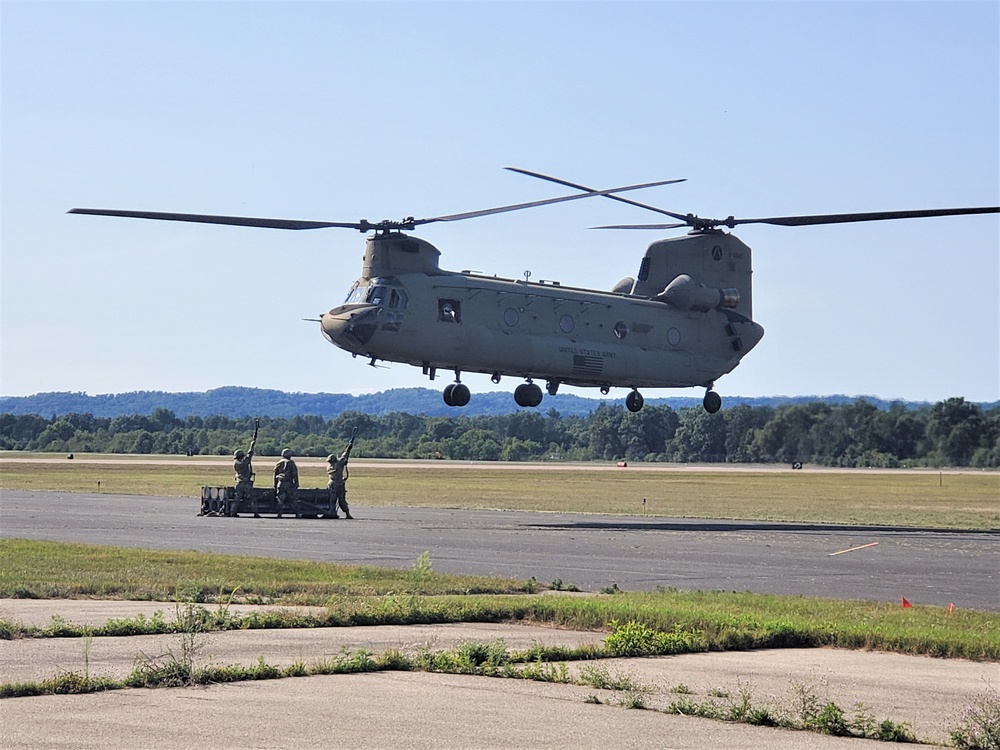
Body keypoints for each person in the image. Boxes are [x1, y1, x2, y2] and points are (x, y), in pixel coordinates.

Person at [325, 429, 357, 519]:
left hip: (331, 483)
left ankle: (330, 512)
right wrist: (349, 446)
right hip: (339, 484)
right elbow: (345, 455)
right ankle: (347, 514)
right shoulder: (338, 464)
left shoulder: (329, 467)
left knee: (331, 499)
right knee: (341, 499)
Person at [232, 420, 259, 517]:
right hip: (245, 483)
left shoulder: (235, 463)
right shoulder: (243, 463)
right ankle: (255, 513)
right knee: (252, 498)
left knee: (237, 498)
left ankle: (233, 512)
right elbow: (250, 454)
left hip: (238, 482)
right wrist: (253, 442)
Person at [273, 448, 299, 517]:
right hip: (288, 483)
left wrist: (275, 485)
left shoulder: (278, 463)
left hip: (280, 483)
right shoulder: (291, 463)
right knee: (292, 499)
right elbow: (294, 474)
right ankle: (297, 513)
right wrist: (296, 483)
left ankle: (279, 513)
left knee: (280, 499)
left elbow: (275, 474)